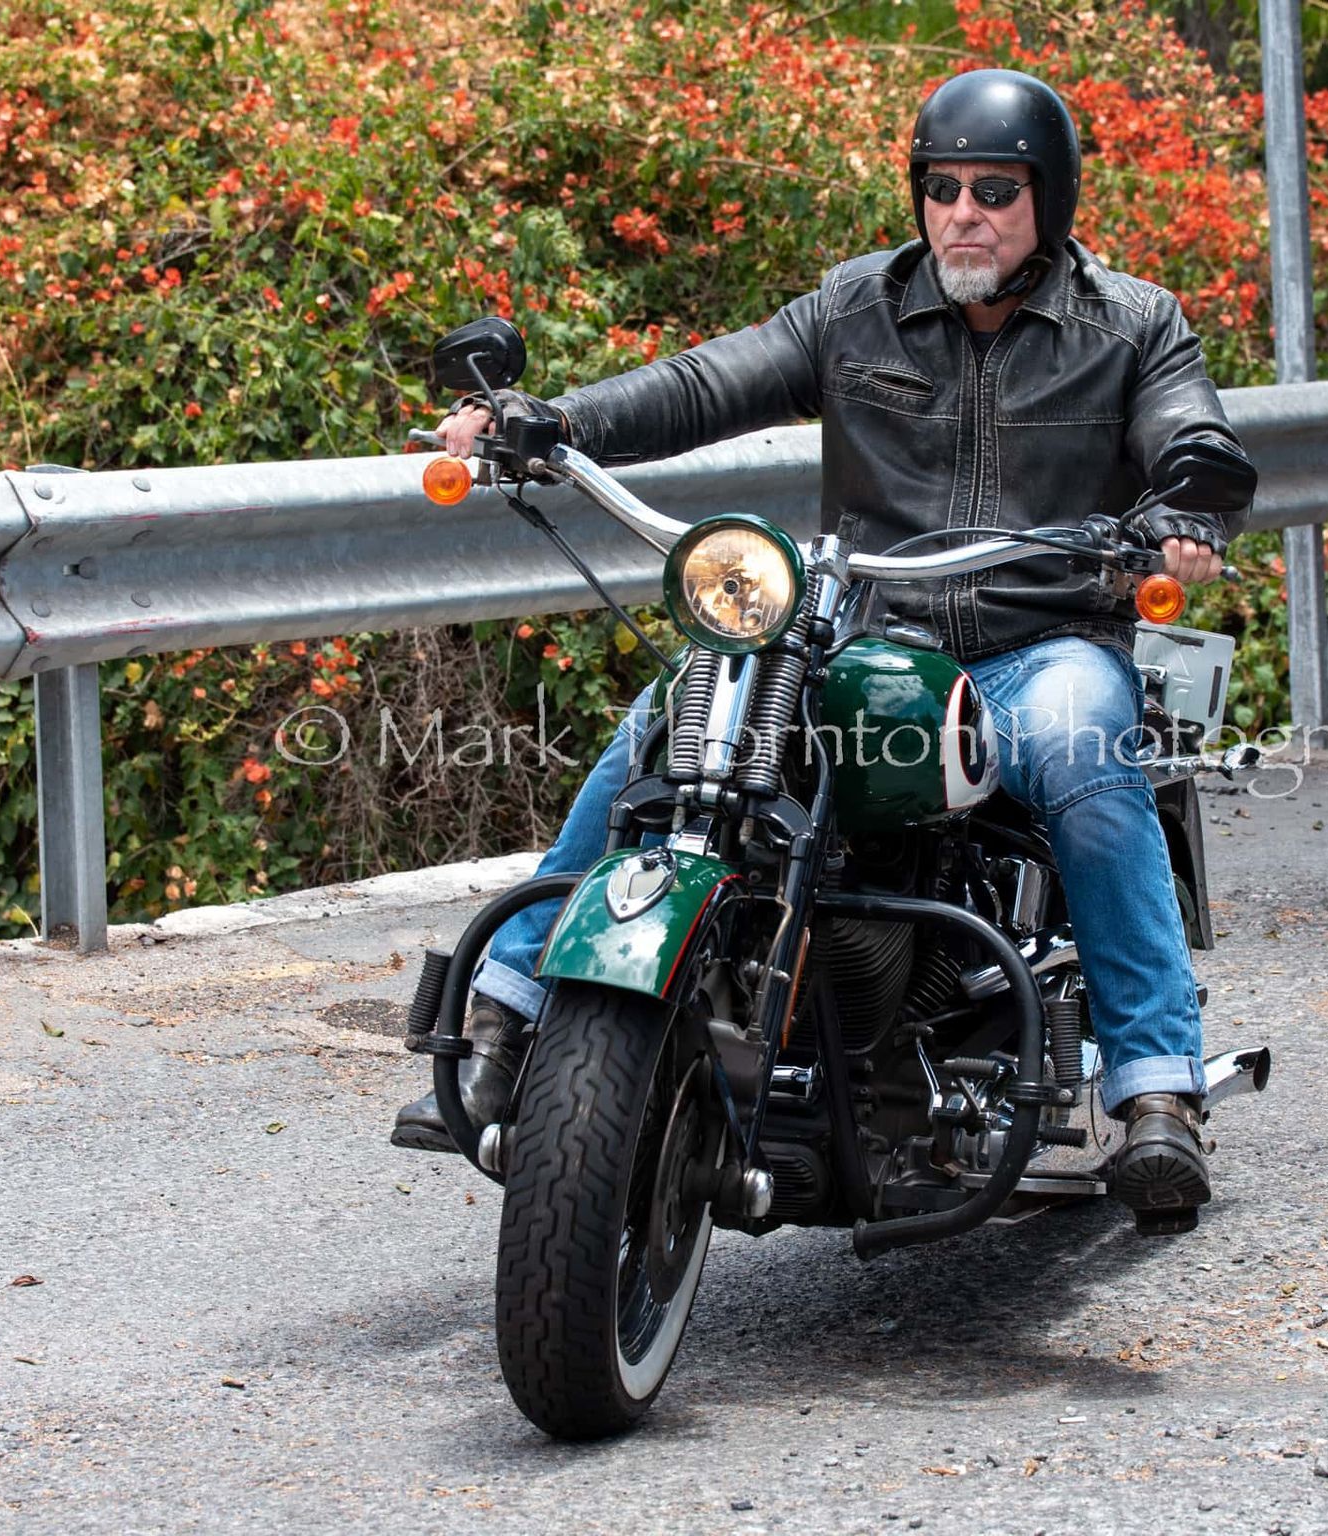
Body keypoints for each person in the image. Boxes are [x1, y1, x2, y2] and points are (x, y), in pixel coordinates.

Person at [393, 69, 1258, 1228]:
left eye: (995, 191)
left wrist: (1189, 499)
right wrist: (552, 419)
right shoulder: (859, 306)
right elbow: (710, 381)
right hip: (870, 635)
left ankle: (1156, 1086)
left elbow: (1188, 428)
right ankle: (506, 1012)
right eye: (941, 188)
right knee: (670, 721)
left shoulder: (1132, 323)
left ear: (1048, 199)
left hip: (1038, 639)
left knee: (1080, 749)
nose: (963, 213)